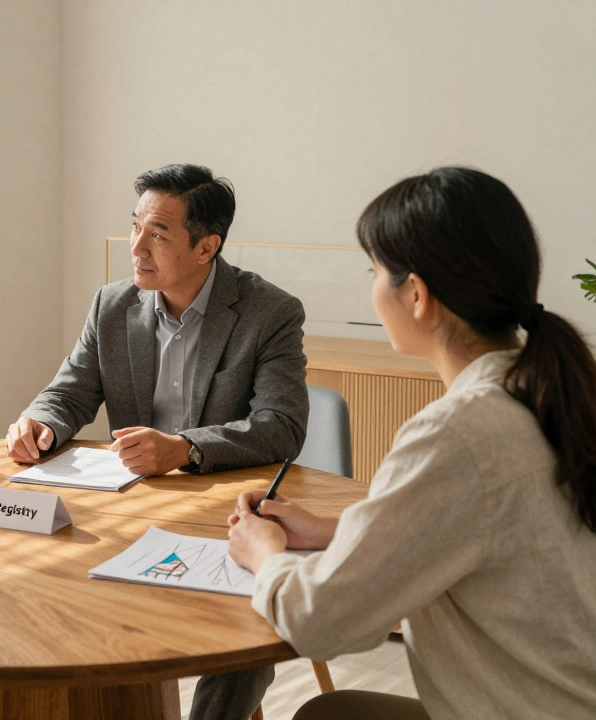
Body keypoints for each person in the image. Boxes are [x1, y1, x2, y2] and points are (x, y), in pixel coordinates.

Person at [228, 167, 596, 720]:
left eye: (375, 271)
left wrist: (264, 554)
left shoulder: (458, 433)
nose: (372, 287)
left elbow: (319, 622)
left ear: (417, 294)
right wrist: (335, 530)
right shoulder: (551, 393)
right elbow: (484, 528)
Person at [6, 163, 310, 720]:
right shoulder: (113, 304)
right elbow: (69, 392)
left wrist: (186, 447)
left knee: (248, 621)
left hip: (223, 515)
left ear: (206, 246)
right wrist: (41, 421)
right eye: (135, 227)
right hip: (128, 511)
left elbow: (281, 426)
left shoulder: (269, 313)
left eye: (158, 233)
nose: (136, 247)